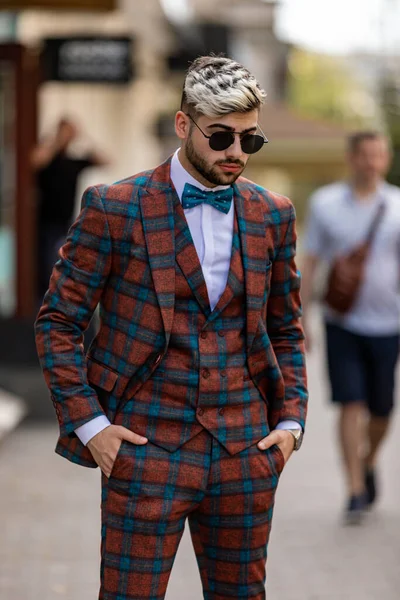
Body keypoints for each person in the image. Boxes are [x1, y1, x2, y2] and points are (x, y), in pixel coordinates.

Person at [35, 55, 308, 599]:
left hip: (245, 453)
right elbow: (58, 322)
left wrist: (291, 425)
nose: (235, 153)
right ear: (184, 125)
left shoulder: (272, 214)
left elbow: (286, 328)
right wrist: (92, 428)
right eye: (222, 137)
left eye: (250, 140)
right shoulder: (115, 207)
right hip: (143, 448)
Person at [301, 131, 400, 525]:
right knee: (349, 402)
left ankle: (369, 458)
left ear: (387, 159)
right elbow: (309, 263)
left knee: (382, 408)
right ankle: (355, 490)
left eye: (379, 155)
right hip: (341, 322)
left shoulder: (397, 204)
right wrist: (301, 316)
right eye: (365, 155)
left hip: (389, 322)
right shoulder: (326, 203)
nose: (372, 162)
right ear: (351, 158)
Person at [32, 117, 108, 301]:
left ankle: (58, 301)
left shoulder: (74, 161)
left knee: (63, 264)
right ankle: (43, 302)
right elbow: (35, 161)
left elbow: (105, 160)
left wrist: (83, 137)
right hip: (45, 221)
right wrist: (56, 139)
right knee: (45, 266)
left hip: (66, 221)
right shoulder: (49, 157)